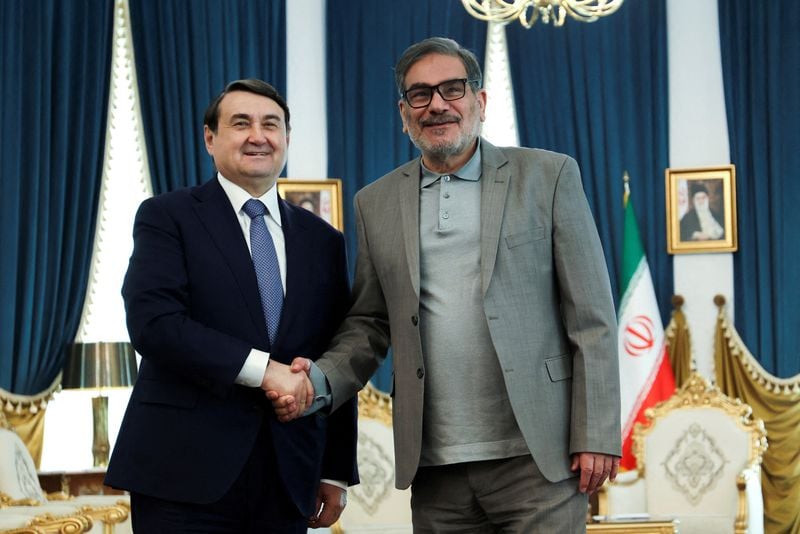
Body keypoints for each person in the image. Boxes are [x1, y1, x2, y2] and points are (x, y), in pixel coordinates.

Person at [272, 38, 621, 533]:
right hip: (436, 467)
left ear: (480, 100)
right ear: (404, 113)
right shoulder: (375, 202)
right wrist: (319, 380)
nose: (437, 104)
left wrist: (596, 432)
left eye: (452, 89)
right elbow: (370, 323)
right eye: (420, 94)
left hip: (539, 458)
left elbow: (592, 317)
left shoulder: (548, 176)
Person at [105, 79, 358, 533]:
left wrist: (335, 469)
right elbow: (155, 324)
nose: (258, 136)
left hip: (288, 476)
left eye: (271, 125)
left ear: (286, 138)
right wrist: (265, 370)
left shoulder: (324, 240)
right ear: (210, 138)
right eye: (241, 123)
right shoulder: (167, 216)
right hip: (181, 474)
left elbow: (340, 352)